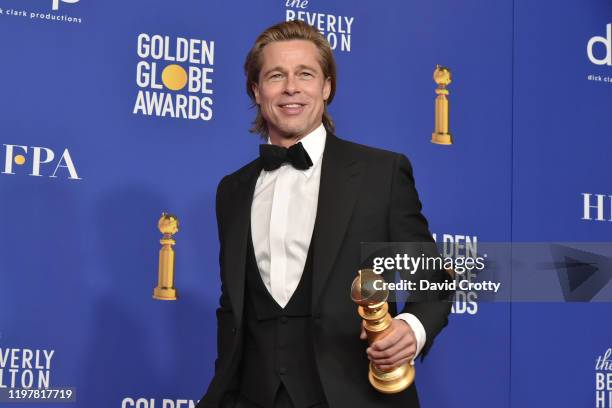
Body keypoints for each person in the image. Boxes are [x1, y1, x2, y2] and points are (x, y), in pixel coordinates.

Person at [197, 20, 451, 408]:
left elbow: (432, 278)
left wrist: (411, 329)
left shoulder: (380, 174)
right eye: (276, 75)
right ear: (256, 90)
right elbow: (232, 306)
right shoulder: (232, 190)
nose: (291, 88)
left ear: (327, 87)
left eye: (305, 74)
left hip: (354, 393)